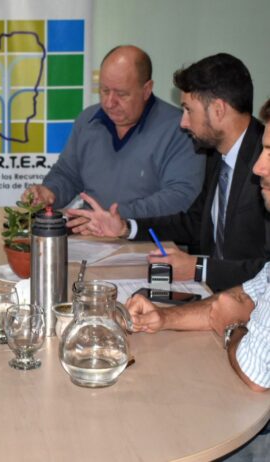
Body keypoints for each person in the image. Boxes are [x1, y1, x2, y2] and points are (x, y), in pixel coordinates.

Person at [126, 99, 270, 461]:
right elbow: (247, 292)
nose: (259, 167)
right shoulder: (217, 160)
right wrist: (164, 317)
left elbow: (256, 373)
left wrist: (230, 327)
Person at [67, 53, 269, 292]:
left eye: (188, 110)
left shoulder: (263, 165)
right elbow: (193, 223)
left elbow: (265, 268)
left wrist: (199, 268)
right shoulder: (217, 156)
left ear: (218, 110)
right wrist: (125, 227)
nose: (183, 123)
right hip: (217, 295)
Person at [22, 45, 205, 218]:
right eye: (104, 90)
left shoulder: (181, 128)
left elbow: (180, 197)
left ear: (146, 90)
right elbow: (68, 175)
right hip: (89, 234)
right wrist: (49, 192)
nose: (110, 103)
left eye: (121, 94)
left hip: (146, 236)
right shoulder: (88, 120)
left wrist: (116, 217)